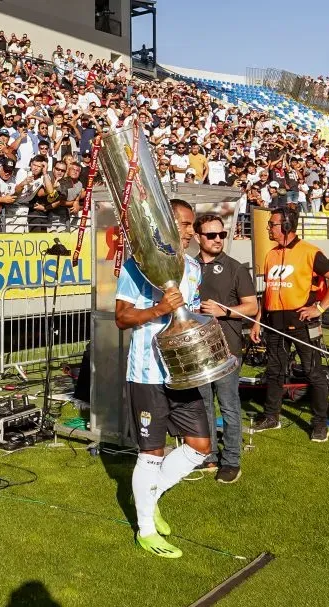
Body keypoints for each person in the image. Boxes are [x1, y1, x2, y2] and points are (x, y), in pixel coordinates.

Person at [114, 199, 210, 559]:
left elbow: (191, 312)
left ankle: (150, 495)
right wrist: (158, 309)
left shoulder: (193, 268)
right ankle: (146, 529)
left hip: (182, 371)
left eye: (191, 225)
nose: (189, 231)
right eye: (183, 224)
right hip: (147, 374)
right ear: (164, 227)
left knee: (200, 445)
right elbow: (122, 318)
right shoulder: (137, 267)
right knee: (151, 453)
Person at [250, 208, 329, 442]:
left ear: (286, 226)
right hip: (274, 324)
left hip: (302, 323)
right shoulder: (270, 255)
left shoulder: (310, 252)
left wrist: (319, 308)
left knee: (314, 373)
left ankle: (319, 423)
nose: (269, 228)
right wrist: (257, 321)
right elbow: (268, 292)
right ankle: (272, 417)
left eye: (272, 224)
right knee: (274, 372)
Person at [192, 214, 258, 483]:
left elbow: (252, 307)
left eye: (221, 235)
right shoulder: (188, 266)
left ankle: (231, 460)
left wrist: (224, 311)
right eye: (211, 235)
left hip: (227, 348)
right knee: (203, 405)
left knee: (229, 406)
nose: (218, 239)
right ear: (198, 237)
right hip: (196, 348)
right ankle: (208, 456)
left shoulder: (234, 268)